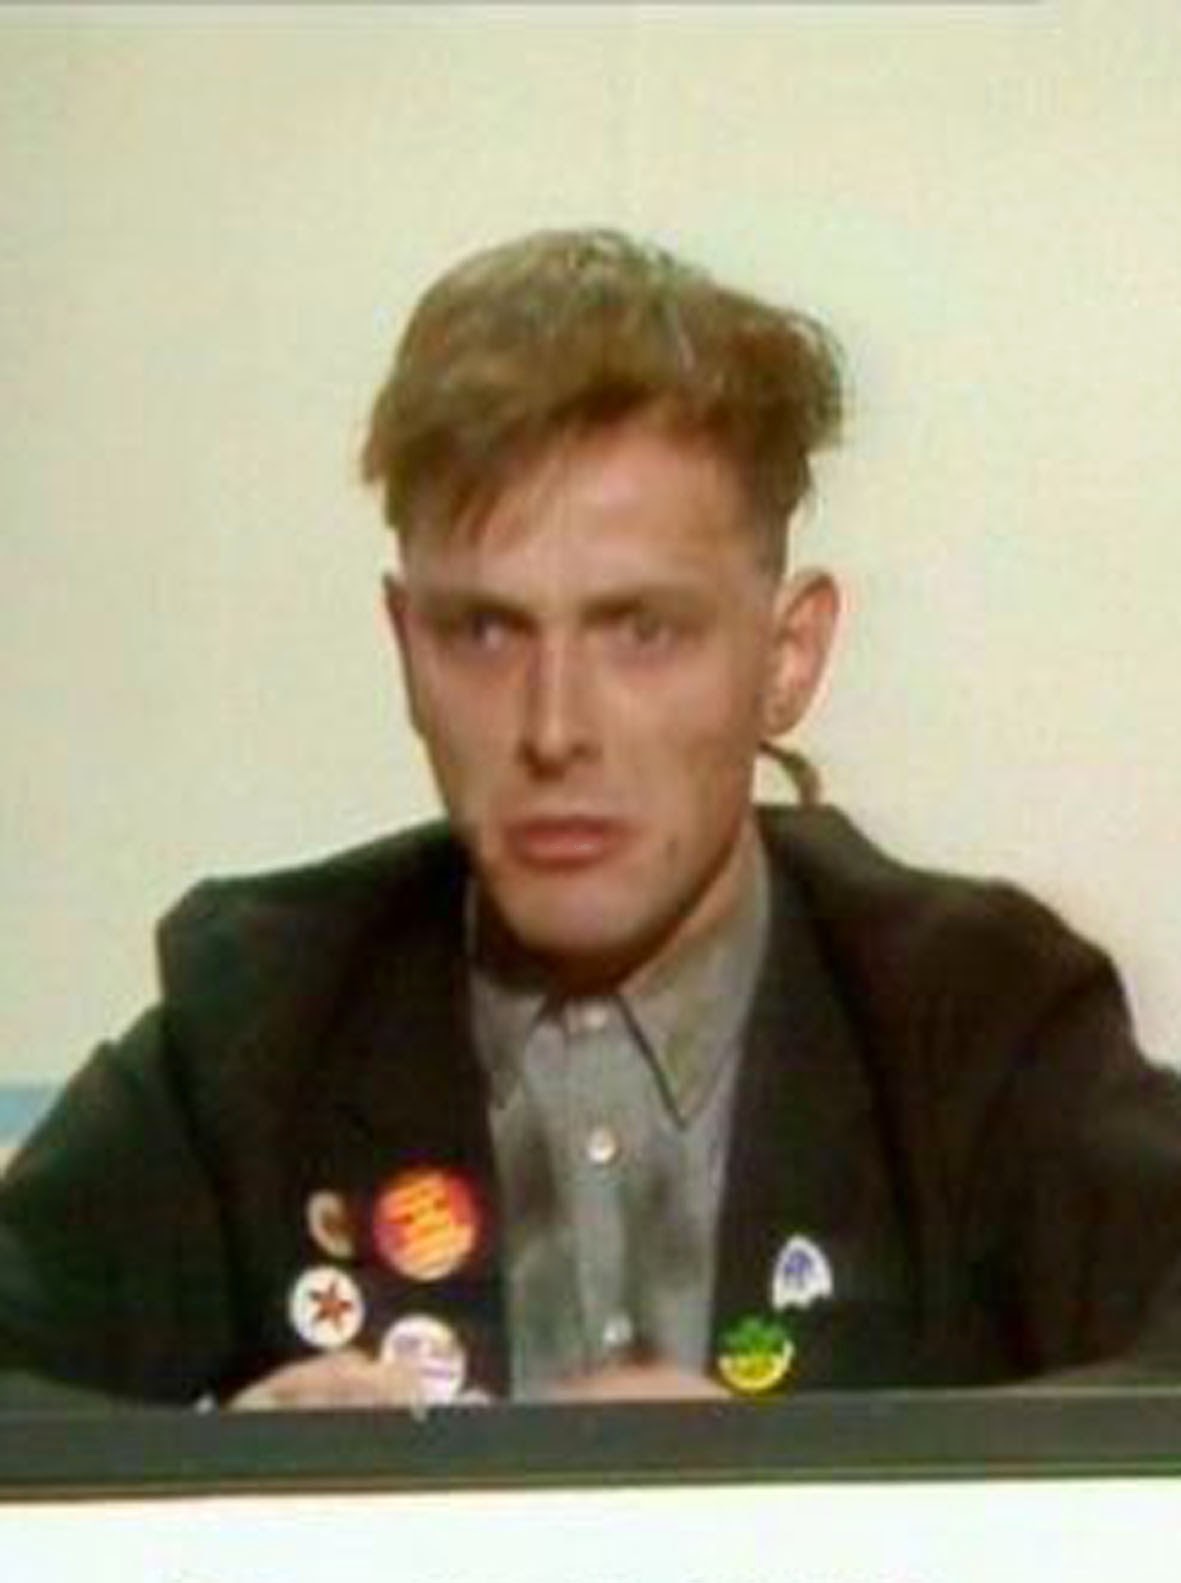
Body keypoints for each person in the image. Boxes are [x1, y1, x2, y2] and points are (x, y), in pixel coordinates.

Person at [3, 227, 1181, 1412]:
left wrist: (801, 1487)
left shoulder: (977, 1021)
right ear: (406, 647)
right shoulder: (261, 1025)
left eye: (641, 630)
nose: (554, 727)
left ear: (786, 657)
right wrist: (230, 1478)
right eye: (483, 631)